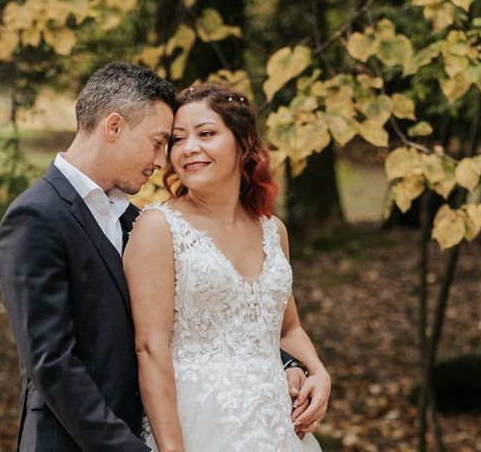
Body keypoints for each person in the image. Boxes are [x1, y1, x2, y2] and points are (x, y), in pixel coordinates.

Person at [0, 62, 312, 451]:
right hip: (73, 442)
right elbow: (52, 363)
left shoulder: (132, 218)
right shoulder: (37, 217)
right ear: (114, 128)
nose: (164, 161)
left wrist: (291, 364)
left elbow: (205, 321)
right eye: (159, 141)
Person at [124, 83, 330, 452]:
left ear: (242, 143)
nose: (189, 149)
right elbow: (150, 349)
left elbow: (287, 327)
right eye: (178, 139)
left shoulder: (273, 230)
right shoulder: (158, 227)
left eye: (206, 134)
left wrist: (317, 370)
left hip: (275, 427)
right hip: (198, 423)